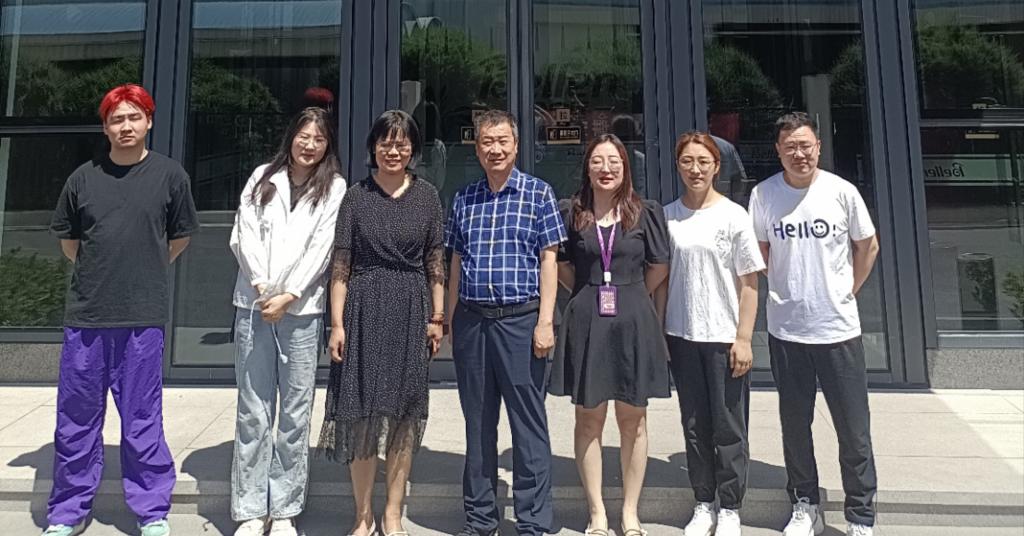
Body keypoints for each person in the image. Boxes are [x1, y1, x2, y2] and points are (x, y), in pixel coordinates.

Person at [45, 84, 199, 536]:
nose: (125, 126)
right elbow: (70, 243)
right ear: (105, 127)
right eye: (116, 119)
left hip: (142, 317)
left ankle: (151, 510)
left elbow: (180, 237)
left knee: (141, 418)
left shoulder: (170, 176)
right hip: (88, 317)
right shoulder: (83, 179)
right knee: (76, 419)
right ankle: (68, 511)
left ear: (149, 121)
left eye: (134, 117)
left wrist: (145, 267)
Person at [748, 112, 880, 536]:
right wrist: (787, 287)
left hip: (838, 329)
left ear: (818, 147)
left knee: (853, 430)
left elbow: (868, 246)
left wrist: (847, 290)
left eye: (805, 145)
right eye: (790, 147)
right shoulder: (764, 195)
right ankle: (804, 503)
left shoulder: (842, 191)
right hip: (787, 330)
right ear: (778, 151)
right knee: (795, 426)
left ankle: (860, 515)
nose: (799, 154)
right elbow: (760, 253)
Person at [318, 110, 446, 536]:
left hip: (411, 307)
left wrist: (437, 317)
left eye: (402, 143)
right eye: (386, 143)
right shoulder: (356, 197)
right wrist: (337, 324)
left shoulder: (427, 196)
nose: (394, 150)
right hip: (363, 307)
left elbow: (435, 261)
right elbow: (341, 264)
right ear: (373, 147)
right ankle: (362, 514)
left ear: (413, 149)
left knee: (404, 413)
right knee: (360, 411)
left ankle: (392, 513)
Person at [444, 110, 566, 536]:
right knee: (478, 425)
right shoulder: (464, 199)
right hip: (473, 322)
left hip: (521, 322)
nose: (495, 149)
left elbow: (549, 261)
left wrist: (545, 322)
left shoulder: (539, 194)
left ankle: (533, 522)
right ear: (477, 148)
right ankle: (481, 520)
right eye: (487, 142)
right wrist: (450, 318)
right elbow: (456, 261)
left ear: (516, 145)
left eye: (502, 141)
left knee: (527, 425)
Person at [228, 107, 346, 536]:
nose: (309, 145)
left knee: (295, 413)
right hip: (254, 306)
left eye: (319, 139)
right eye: (304, 136)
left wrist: (290, 294)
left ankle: (284, 509)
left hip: (302, 312)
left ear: (328, 145)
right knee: (253, 410)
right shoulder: (263, 177)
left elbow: (323, 247)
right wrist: (264, 288)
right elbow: (243, 234)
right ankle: (250, 508)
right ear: (291, 136)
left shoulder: (334, 187)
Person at [549, 134, 671, 536]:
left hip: (633, 319)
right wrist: (589, 293)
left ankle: (630, 512)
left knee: (633, 418)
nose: (606, 169)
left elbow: (659, 266)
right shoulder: (572, 212)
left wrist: (629, 292)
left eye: (614, 161)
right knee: (589, 417)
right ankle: (597, 511)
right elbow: (561, 265)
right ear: (587, 168)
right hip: (587, 320)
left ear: (625, 167)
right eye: (598, 161)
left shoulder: (645, 212)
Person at [655, 132, 764, 536]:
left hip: (724, 336)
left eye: (703, 162)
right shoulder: (668, 216)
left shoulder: (734, 216)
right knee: (695, 424)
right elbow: (663, 281)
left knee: (729, 426)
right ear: (678, 166)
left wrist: (744, 338)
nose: (695, 169)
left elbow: (749, 283)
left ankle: (730, 506)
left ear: (717, 167)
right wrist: (661, 332)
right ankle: (703, 501)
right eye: (687, 161)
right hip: (682, 335)